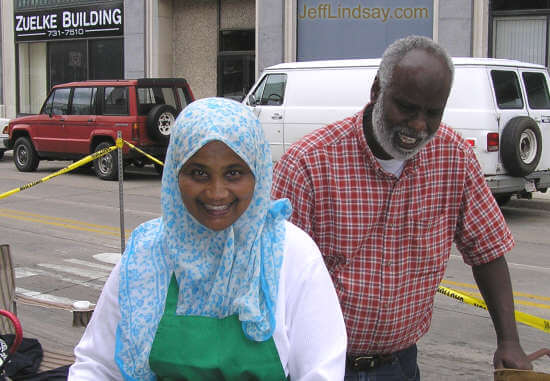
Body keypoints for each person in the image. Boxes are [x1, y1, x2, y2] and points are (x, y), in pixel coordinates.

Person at [271, 35, 532, 380]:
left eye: (432, 112)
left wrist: (509, 340)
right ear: (377, 90)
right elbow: (273, 276)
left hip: (400, 367)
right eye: (407, 108)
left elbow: (487, 250)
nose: (419, 126)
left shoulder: (454, 158)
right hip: (319, 366)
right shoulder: (308, 164)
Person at [68, 97, 347, 380]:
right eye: (198, 172)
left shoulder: (291, 254)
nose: (216, 193)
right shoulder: (148, 253)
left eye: (234, 173)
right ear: (174, 174)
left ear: (259, 174)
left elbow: (321, 371)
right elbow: (97, 365)